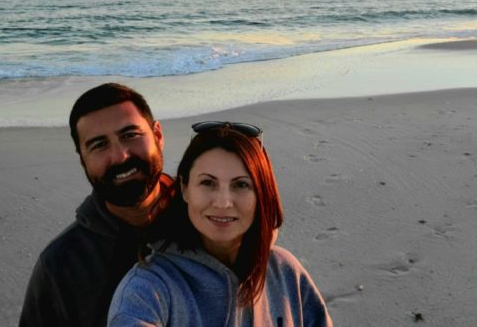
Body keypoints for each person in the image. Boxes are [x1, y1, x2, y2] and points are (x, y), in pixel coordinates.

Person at [107, 121, 333, 326]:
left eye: (241, 185)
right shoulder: (148, 289)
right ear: (185, 188)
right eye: (207, 183)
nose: (223, 202)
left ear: (261, 194)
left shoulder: (284, 270)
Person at [19, 83, 175, 327]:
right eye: (99, 145)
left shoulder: (214, 223)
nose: (121, 156)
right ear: (83, 160)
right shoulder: (62, 266)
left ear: (157, 136)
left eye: (130, 135)